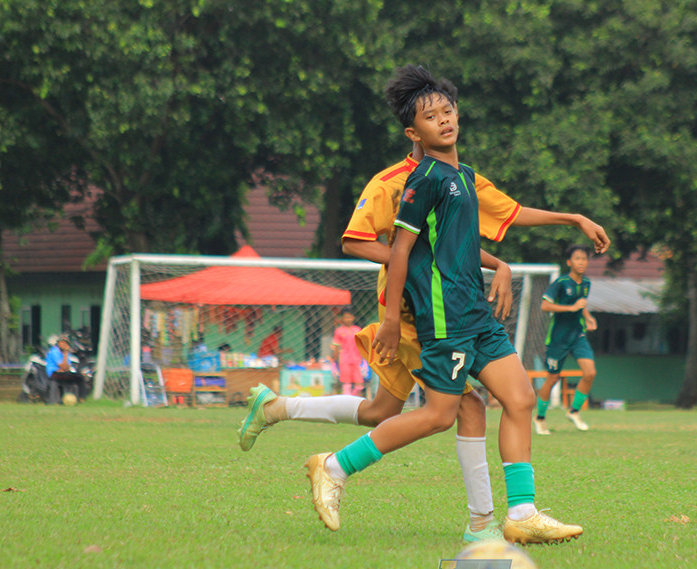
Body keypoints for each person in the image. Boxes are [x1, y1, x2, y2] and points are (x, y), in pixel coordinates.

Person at [236, 73, 609, 544]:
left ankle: (520, 513)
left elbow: (497, 218)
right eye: (429, 116)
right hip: (432, 316)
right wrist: (392, 318)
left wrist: (571, 220)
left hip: (473, 312)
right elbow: (385, 249)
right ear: (413, 132)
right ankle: (336, 467)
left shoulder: (464, 176)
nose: (442, 120)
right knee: (442, 413)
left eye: (446, 111)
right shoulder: (416, 182)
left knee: (514, 400)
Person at [533, 244, 598, 434]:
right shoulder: (561, 283)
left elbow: (580, 304)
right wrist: (570, 308)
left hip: (577, 335)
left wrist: (587, 317)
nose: (581, 262)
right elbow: (545, 306)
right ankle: (540, 418)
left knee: (590, 373)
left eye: (584, 258)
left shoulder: (586, 284)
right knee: (552, 377)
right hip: (558, 338)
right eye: (577, 258)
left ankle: (574, 411)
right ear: (569, 262)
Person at [331, 307, 364, 397]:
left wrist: (364, 359)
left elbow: (362, 345)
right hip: (344, 359)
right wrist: (334, 359)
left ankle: (354, 398)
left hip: (357, 359)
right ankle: (346, 401)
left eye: (349, 317)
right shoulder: (339, 331)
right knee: (346, 383)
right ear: (342, 318)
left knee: (359, 384)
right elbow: (336, 346)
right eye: (345, 317)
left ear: (353, 318)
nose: (347, 319)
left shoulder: (358, 330)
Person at [45, 334, 87, 403]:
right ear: (58, 343)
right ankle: (53, 400)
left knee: (80, 377)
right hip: (54, 373)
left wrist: (66, 354)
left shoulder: (65, 353)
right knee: (58, 379)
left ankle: (81, 399)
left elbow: (67, 367)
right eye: (62, 342)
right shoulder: (54, 351)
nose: (64, 344)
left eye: (65, 343)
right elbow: (63, 366)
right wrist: (65, 353)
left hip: (62, 373)